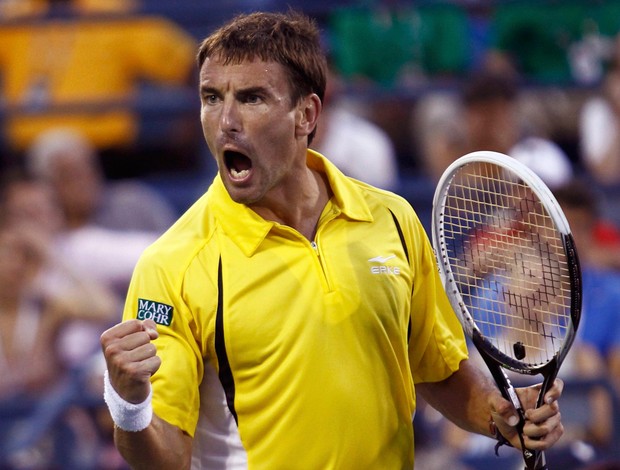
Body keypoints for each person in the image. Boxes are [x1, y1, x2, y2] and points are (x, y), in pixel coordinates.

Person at [100, 11, 565, 469]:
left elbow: (437, 369)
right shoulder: (173, 264)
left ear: (306, 114)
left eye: (252, 98)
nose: (226, 121)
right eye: (211, 97)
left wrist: (500, 415)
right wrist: (129, 402)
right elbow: (165, 458)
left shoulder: (392, 219)